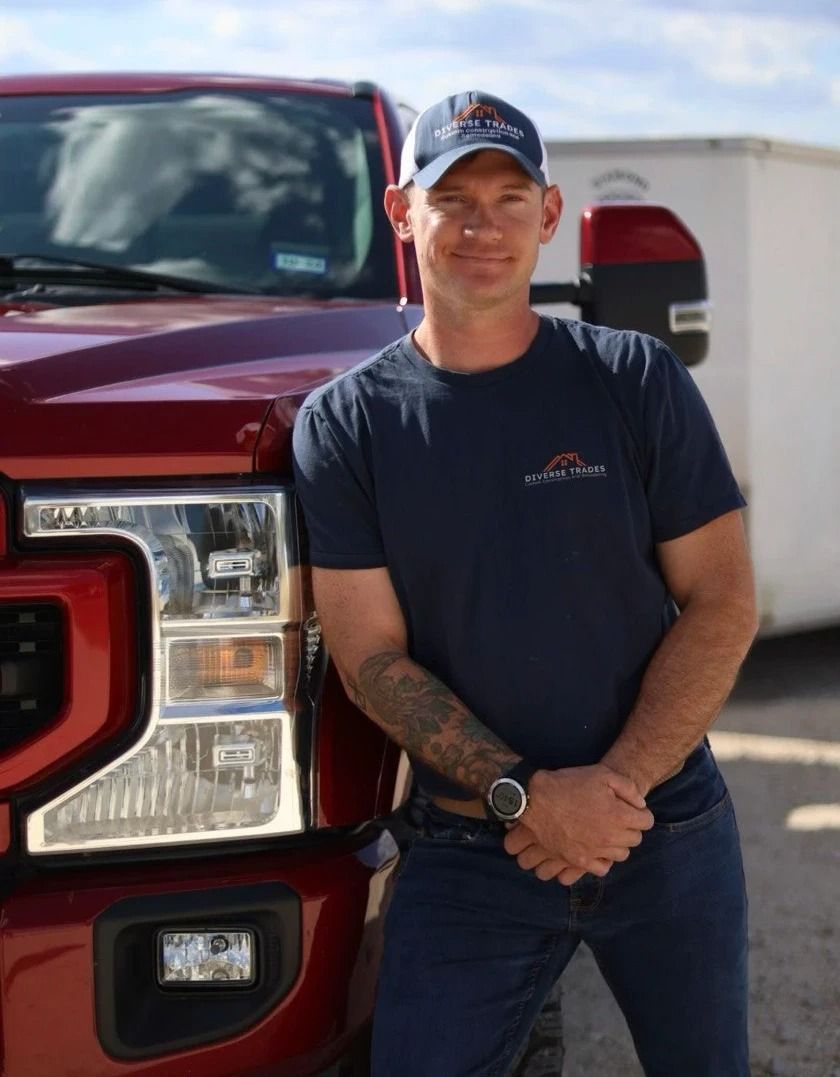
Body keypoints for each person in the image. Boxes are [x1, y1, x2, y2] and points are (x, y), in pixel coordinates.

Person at [292, 90, 757, 1077]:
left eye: (509, 198)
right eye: (452, 197)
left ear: (548, 216)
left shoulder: (635, 379)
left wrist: (611, 789)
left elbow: (723, 600)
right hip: (470, 855)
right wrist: (523, 798)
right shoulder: (345, 427)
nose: (481, 226)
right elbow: (369, 655)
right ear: (400, 211)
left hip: (663, 829)